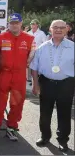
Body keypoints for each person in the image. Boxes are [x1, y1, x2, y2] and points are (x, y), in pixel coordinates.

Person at [30, 20, 74, 152]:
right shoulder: (42, 47)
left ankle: (63, 140)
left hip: (66, 83)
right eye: (55, 27)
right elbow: (34, 68)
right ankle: (45, 136)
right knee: (44, 112)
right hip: (46, 83)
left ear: (67, 29)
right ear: (50, 29)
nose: (58, 30)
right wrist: (35, 85)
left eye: (61, 27)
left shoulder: (73, 47)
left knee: (64, 114)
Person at [0, 13, 36, 141]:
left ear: (21, 23)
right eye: (12, 23)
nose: (14, 25)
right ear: (8, 24)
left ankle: (11, 127)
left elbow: (31, 55)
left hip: (19, 76)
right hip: (3, 75)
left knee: (17, 104)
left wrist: (25, 65)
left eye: (17, 23)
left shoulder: (29, 38)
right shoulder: (0, 37)